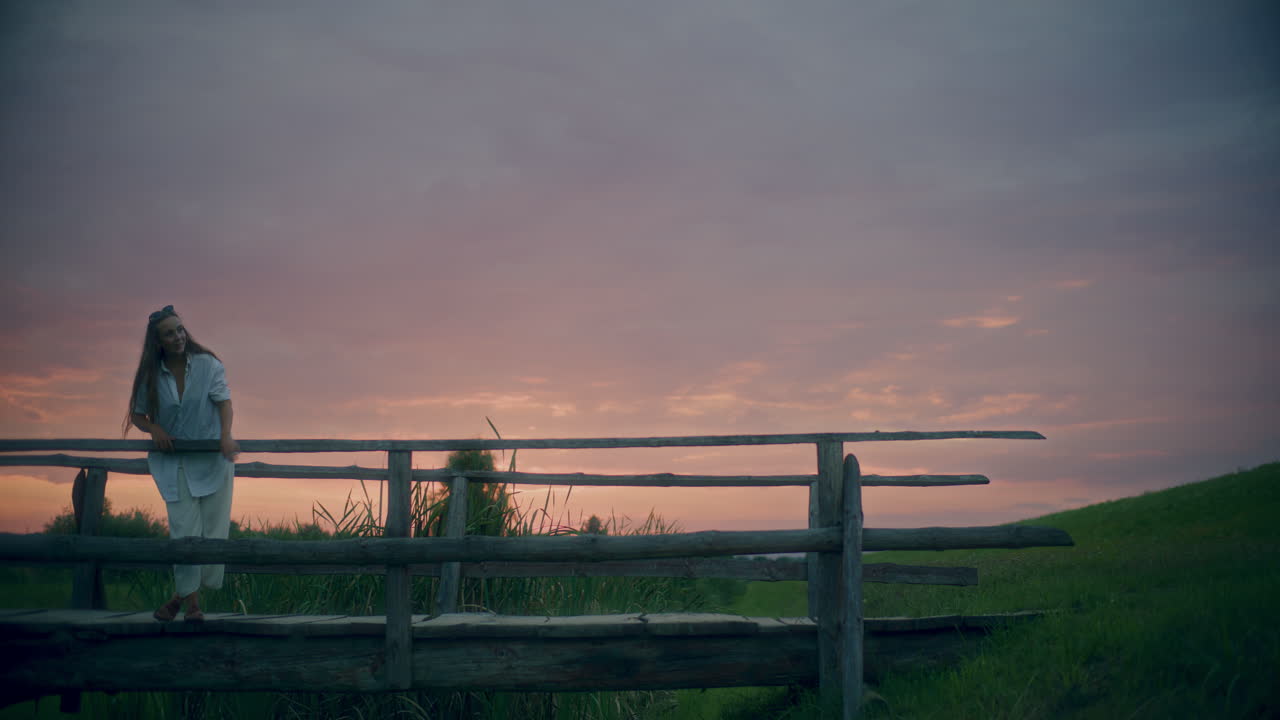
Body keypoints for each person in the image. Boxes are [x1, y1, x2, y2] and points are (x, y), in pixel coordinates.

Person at [123, 305, 239, 622]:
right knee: (185, 532)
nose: (177, 337)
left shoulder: (207, 364)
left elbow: (225, 403)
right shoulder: (150, 374)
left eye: (179, 329)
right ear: (158, 341)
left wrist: (226, 435)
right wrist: (154, 428)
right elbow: (136, 415)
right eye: (169, 333)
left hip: (213, 461)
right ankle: (192, 606)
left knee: (213, 534)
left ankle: (182, 601)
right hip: (174, 465)